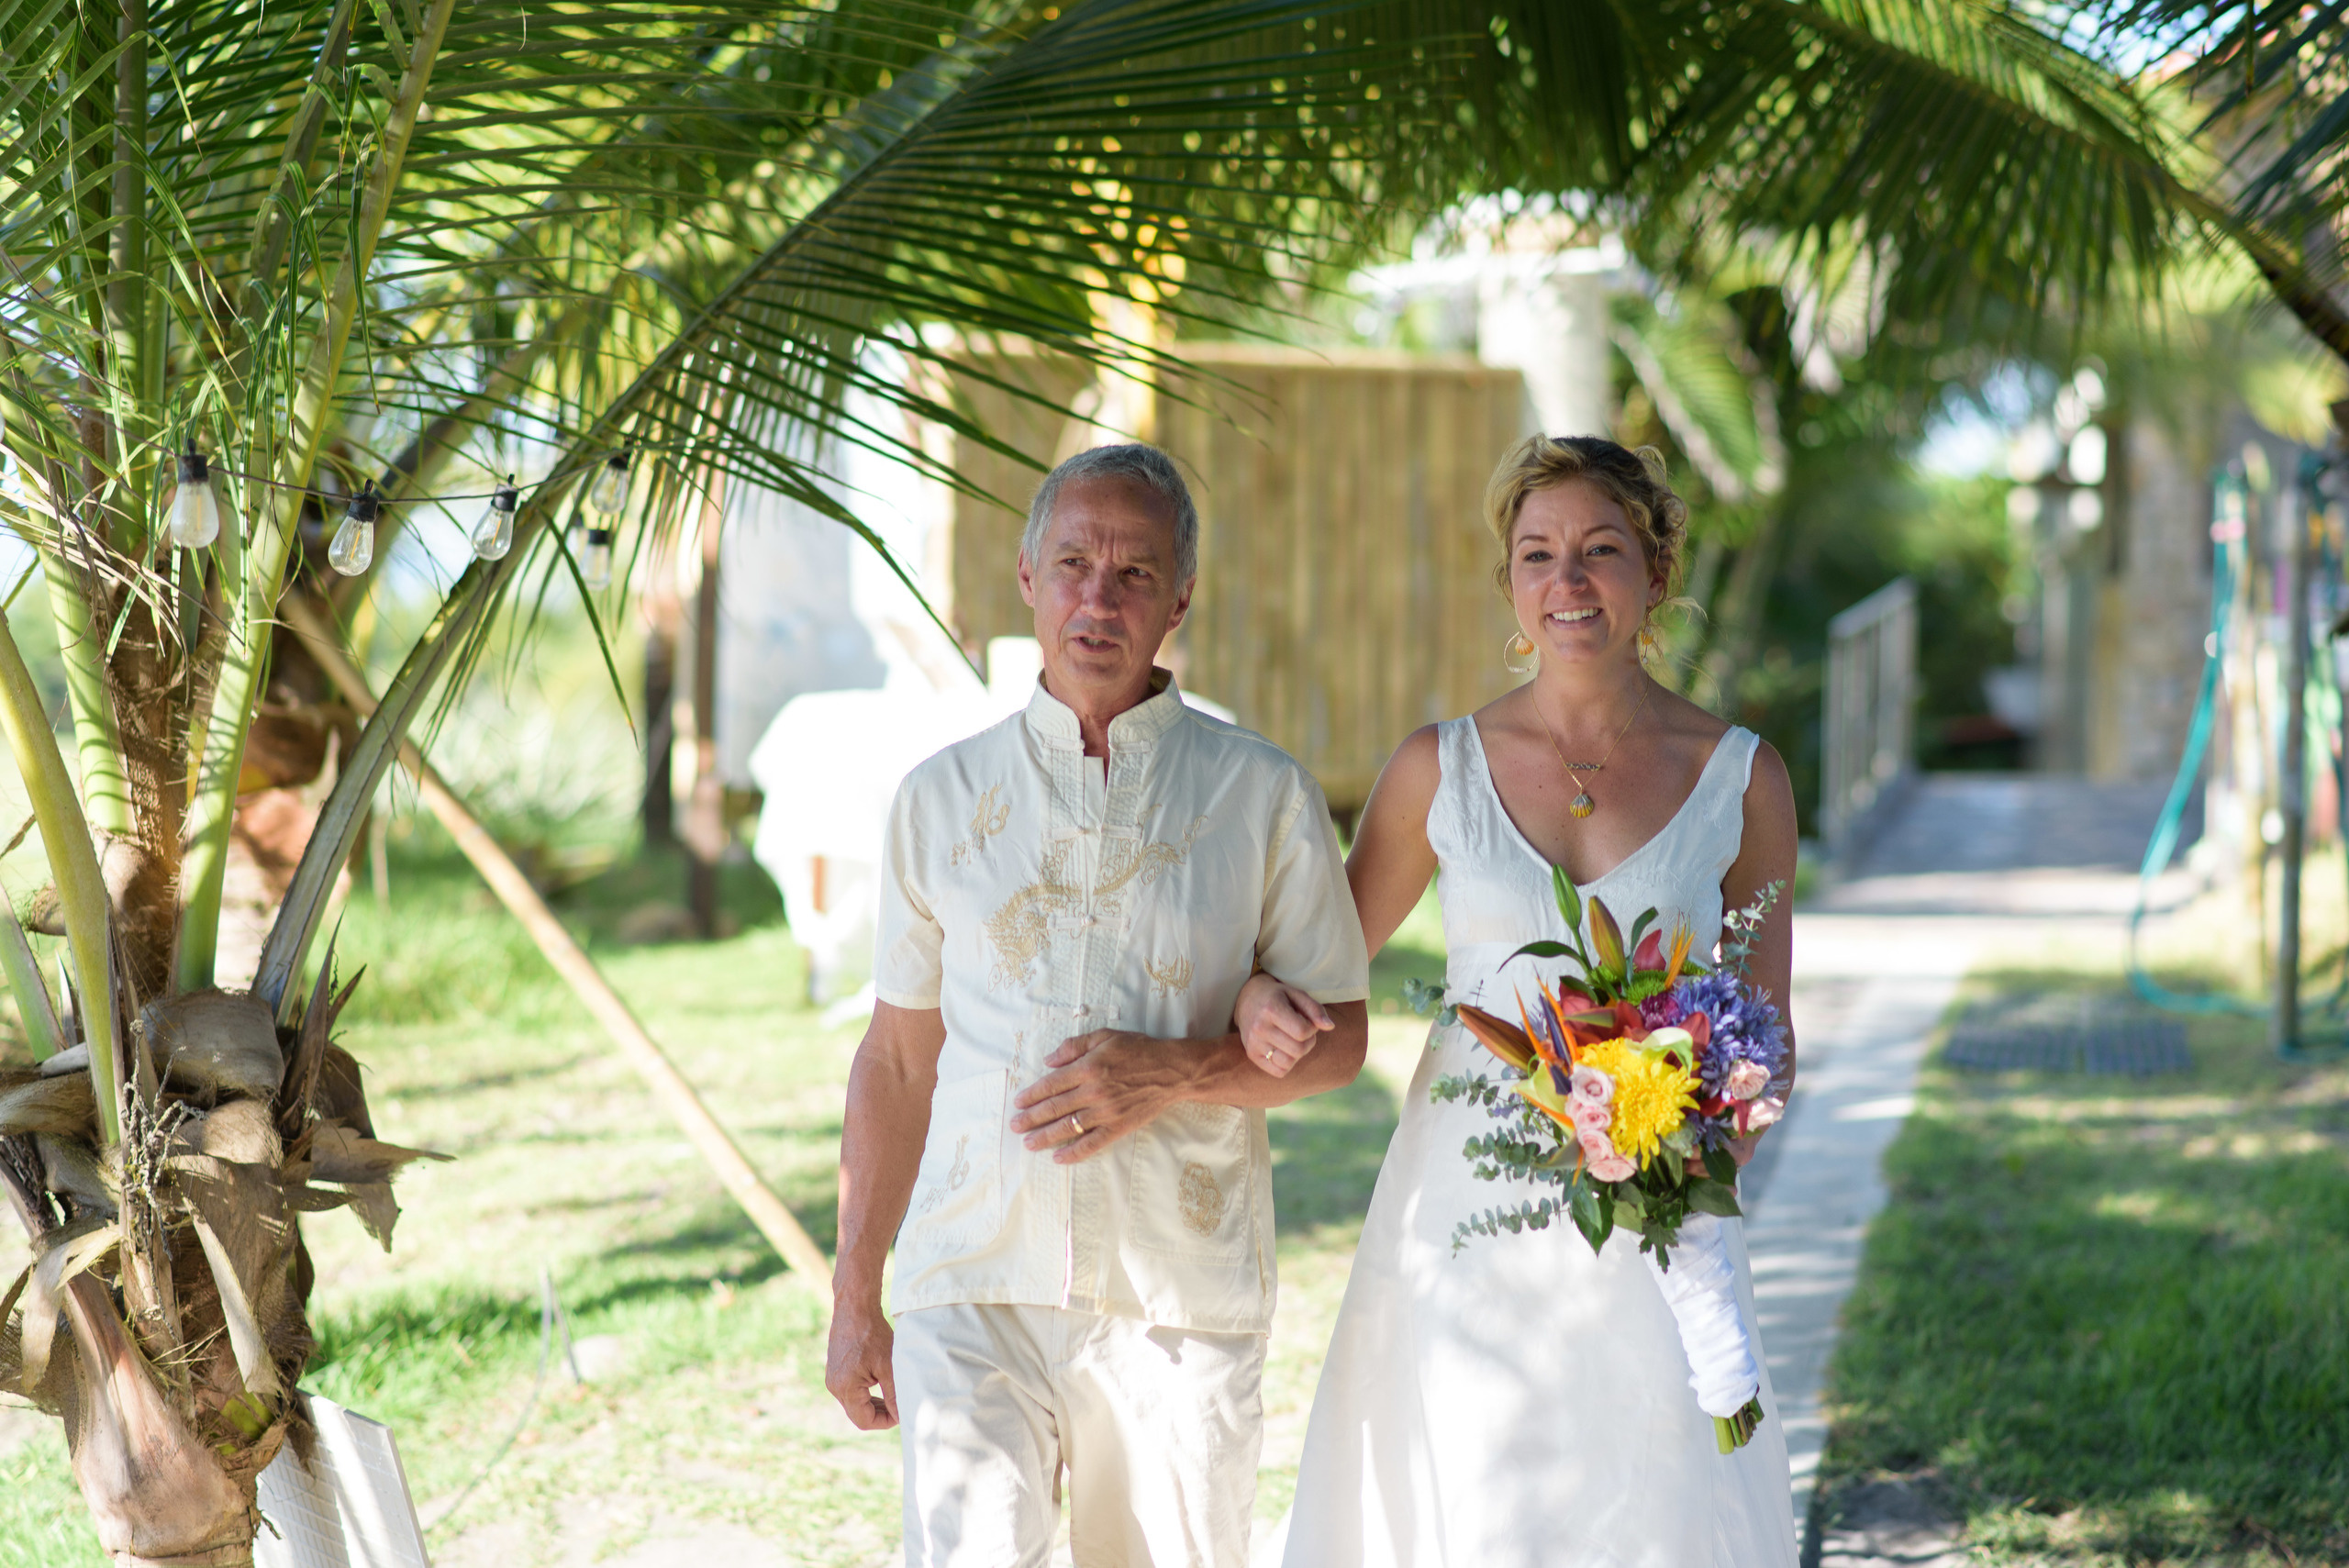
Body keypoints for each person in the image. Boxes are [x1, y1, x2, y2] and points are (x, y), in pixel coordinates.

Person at [1237, 435, 1801, 1567]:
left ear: (1654, 571)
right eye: (1537, 554)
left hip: (1653, 1211)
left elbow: (1769, 1034)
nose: (1568, 581)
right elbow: (1322, 954)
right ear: (1509, 585)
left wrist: (1692, 1131)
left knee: (1646, 1494)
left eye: (1599, 549)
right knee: (1471, 1482)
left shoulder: (1743, 774)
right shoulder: (1433, 767)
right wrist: (1256, 986)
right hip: (1460, 1197)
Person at [826, 441, 1372, 1568]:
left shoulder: (1261, 793)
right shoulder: (939, 799)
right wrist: (854, 1292)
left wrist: (1174, 1069)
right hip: (970, 1272)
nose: (1098, 596)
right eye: (1073, 561)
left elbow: (1338, 1042)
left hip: (1177, 1291)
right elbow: (892, 1059)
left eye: (1135, 573)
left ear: (1182, 596)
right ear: (1026, 574)